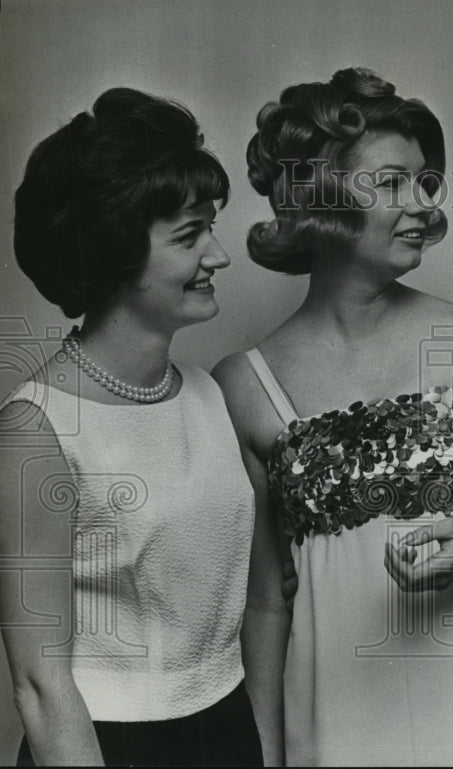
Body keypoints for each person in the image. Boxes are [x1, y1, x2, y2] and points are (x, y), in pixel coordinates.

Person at [212, 68, 453, 766]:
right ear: (320, 197)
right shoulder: (244, 387)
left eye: (425, 182)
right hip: (338, 713)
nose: (425, 207)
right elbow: (264, 605)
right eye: (392, 183)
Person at [0, 89, 261, 766]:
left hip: (228, 729)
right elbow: (39, 683)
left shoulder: (208, 395)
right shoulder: (37, 431)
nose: (219, 254)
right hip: (106, 746)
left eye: (212, 225)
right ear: (117, 254)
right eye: (189, 234)